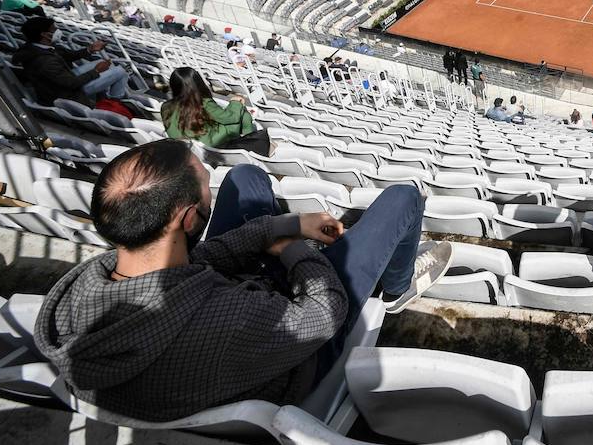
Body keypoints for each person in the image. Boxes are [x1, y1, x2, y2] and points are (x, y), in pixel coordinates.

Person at [35, 139, 453, 423]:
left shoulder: (87, 285)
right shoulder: (230, 318)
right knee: (403, 198)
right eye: (203, 184)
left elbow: (197, 260)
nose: (209, 189)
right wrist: (292, 250)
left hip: (221, 325)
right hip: (292, 347)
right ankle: (397, 289)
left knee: (247, 177)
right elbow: (324, 314)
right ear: (185, 217)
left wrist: (280, 226)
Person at [11, 16, 129, 106]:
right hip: (67, 94)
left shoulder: (36, 47)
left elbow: (67, 56)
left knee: (107, 64)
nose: (57, 30)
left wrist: (90, 49)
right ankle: (114, 102)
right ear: (44, 34)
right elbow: (72, 83)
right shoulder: (44, 61)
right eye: (54, 29)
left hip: (61, 82)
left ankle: (103, 97)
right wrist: (96, 71)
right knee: (120, 71)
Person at [161, 68, 268, 154]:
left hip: (186, 146)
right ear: (197, 83)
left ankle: (249, 139)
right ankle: (250, 140)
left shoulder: (165, 107)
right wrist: (235, 102)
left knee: (239, 112)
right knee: (243, 114)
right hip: (211, 145)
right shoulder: (203, 103)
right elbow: (231, 118)